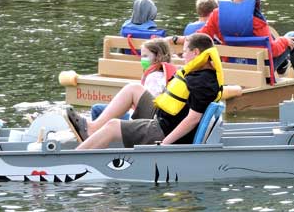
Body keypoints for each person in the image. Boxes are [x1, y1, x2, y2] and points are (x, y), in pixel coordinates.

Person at [68, 33, 223, 149]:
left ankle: (68, 163)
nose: (182, 55)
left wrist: (163, 144)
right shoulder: (199, 72)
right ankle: (92, 129)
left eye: (185, 51)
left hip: (164, 130)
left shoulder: (202, 81)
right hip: (164, 118)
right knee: (133, 88)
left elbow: (193, 119)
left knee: (113, 126)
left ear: (195, 52)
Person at [175, 0, 294, 79]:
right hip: (260, 68)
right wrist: (284, 41)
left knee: (281, 39)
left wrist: (177, 39)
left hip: (232, 66)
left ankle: (285, 67)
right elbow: (274, 50)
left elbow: (201, 35)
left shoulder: (218, 14)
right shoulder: (255, 17)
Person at [90, 38, 177, 121]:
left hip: (142, 120)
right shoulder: (163, 74)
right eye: (142, 56)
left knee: (97, 109)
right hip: (151, 117)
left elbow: (148, 105)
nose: (143, 59)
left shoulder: (154, 77)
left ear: (158, 56)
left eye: (145, 56)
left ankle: (93, 134)